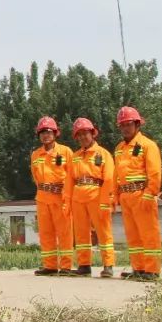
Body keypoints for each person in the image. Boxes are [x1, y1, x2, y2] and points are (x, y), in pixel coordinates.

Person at [112, 106, 162, 281]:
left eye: (129, 124)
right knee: (133, 235)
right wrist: (116, 195)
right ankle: (138, 268)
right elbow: (116, 174)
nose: (125, 128)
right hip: (126, 196)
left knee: (148, 234)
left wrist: (150, 193)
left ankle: (152, 269)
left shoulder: (147, 145)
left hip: (142, 194)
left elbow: (154, 172)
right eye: (122, 125)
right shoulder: (119, 148)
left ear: (137, 124)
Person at [64, 118, 116, 277]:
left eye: (85, 133)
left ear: (92, 133)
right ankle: (84, 265)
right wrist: (67, 201)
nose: (82, 137)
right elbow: (69, 180)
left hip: (96, 194)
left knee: (103, 231)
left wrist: (106, 201)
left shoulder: (103, 154)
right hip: (78, 196)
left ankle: (108, 265)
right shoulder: (75, 156)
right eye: (78, 135)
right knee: (81, 232)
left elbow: (109, 178)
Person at [31, 116, 74, 275]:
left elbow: (71, 175)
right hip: (42, 198)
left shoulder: (65, 152)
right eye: (42, 132)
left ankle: (66, 266)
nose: (45, 135)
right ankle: (49, 266)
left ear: (55, 133)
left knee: (64, 233)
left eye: (48, 131)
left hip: (60, 198)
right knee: (46, 233)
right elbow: (35, 177)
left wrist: (67, 196)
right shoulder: (35, 155)